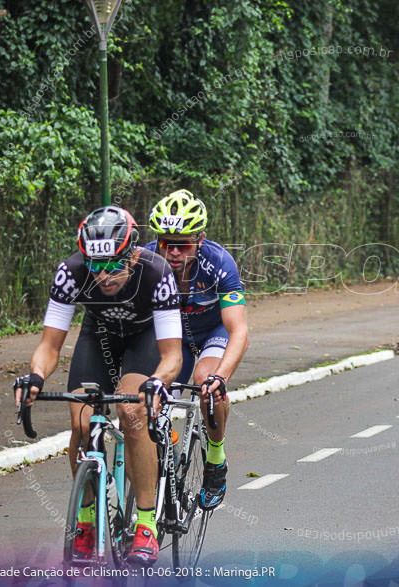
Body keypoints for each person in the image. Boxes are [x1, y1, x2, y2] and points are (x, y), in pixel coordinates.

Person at [14, 206, 182, 566]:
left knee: (133, 413)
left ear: (132, 254)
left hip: (145, 338)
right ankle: (87, 520)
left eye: (113, 266)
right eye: (95, 266)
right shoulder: (71, 272)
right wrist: (36, 377)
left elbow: (172, 356)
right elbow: (49, 345)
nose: (103, 276)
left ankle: (147, 525)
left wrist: (157, 382)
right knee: (80, 423)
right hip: (100, 336)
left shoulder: (157, 271)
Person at [145, 189, 249, 510]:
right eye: (167, 243)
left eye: (184, 244)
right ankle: (168, 444)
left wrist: (222, 376)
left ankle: (215, 456)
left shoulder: (219, 264)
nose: (174, 252)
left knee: (206, 382)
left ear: (200, 239)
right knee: (150, 391)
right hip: (173, 338)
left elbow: (239, 330)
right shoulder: (145, 262)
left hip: (212, 333)